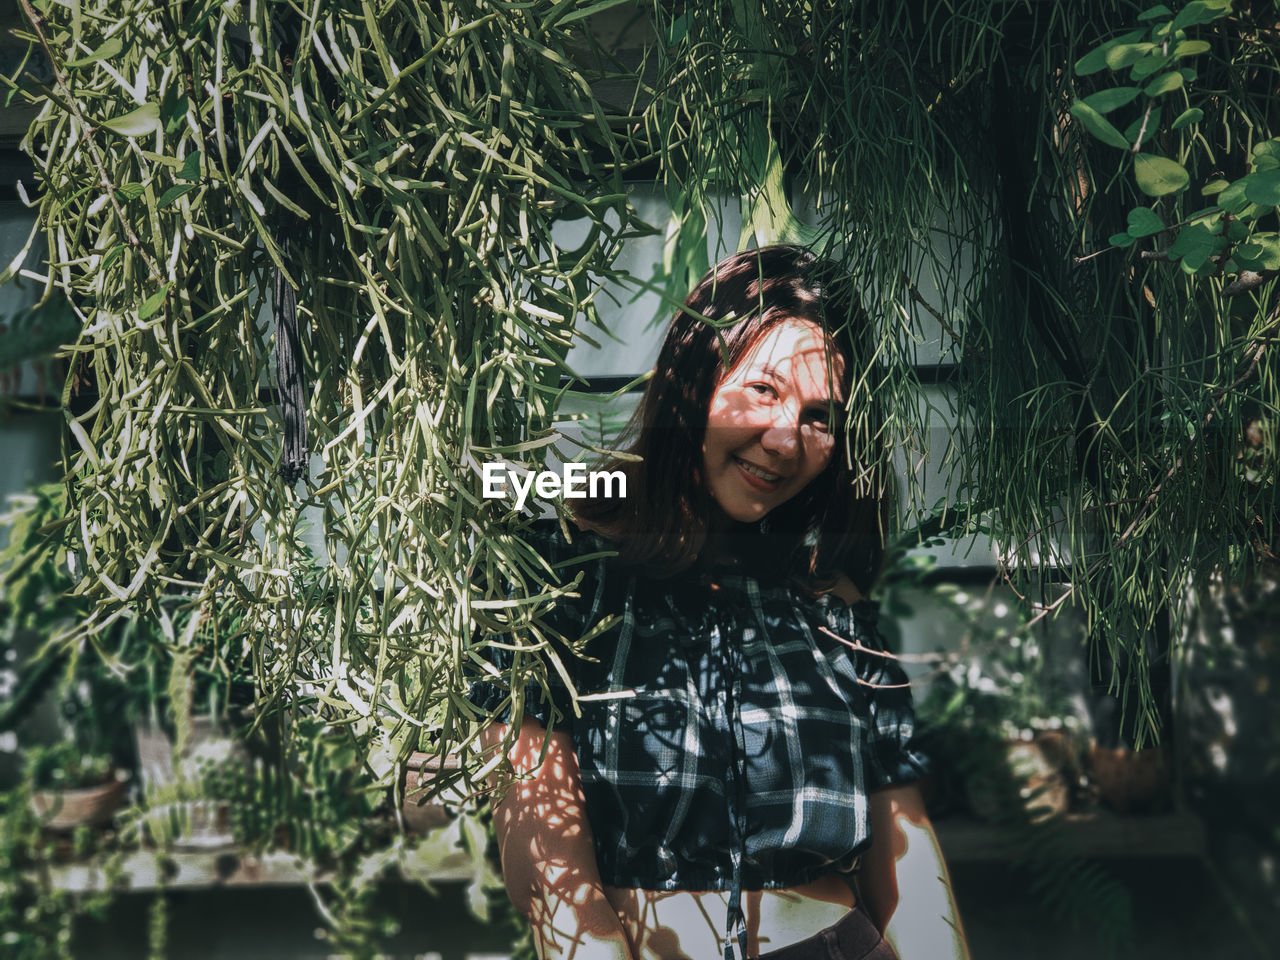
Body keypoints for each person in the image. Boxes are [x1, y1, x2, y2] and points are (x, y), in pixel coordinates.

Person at [470, 245, 970, 960]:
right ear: (694, 379)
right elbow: (550, 876)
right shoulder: (564, 576)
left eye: (821, 415)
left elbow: (908, 863)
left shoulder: (833, 605)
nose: (785, 440)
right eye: (764, 390)